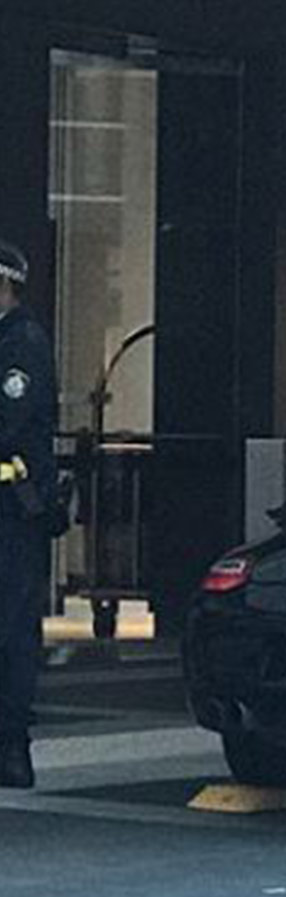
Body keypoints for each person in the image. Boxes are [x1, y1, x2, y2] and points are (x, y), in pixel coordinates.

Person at [0, 241, 56, 789]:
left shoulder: (23, 344)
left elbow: (8, 423)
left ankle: (12, 747)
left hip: (11, 513)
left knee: (12, 631)